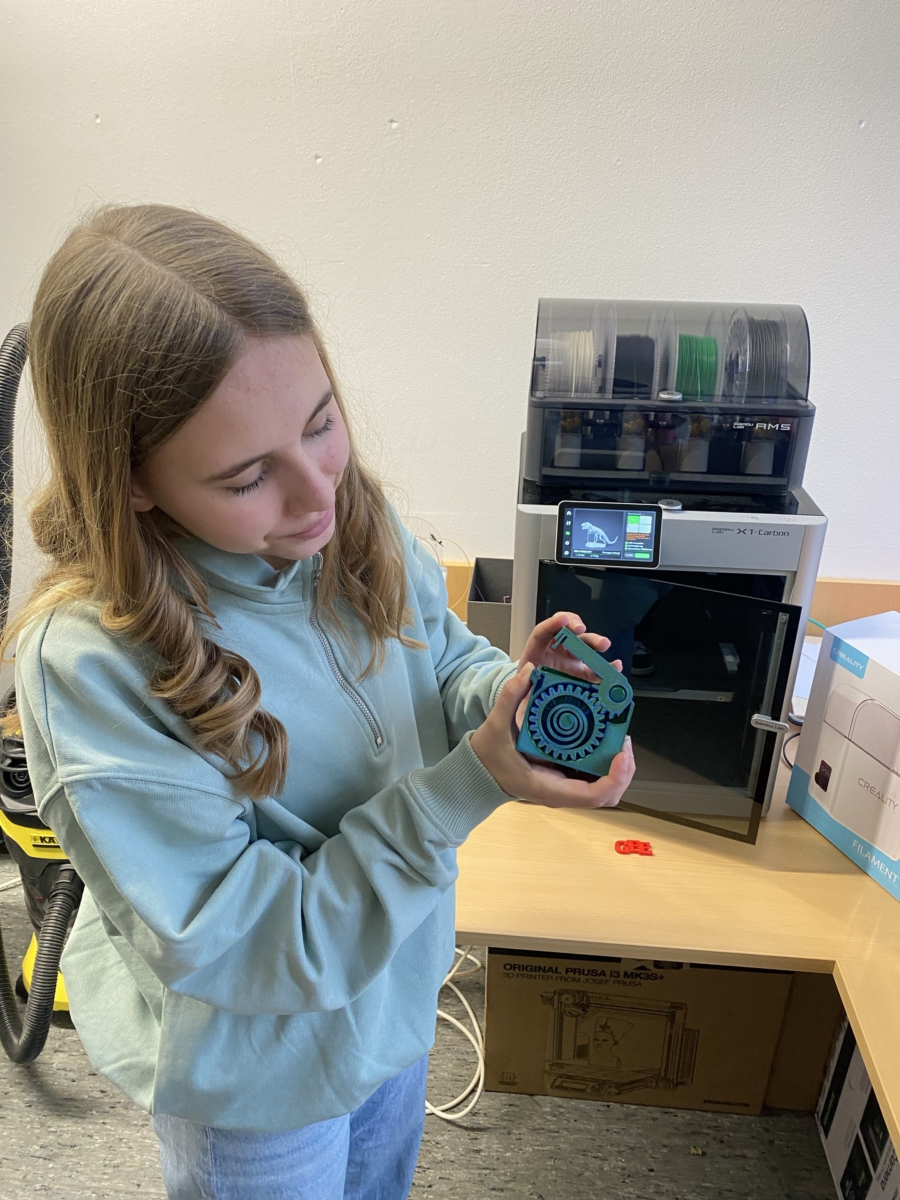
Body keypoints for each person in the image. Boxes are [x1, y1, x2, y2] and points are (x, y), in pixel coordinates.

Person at [5, 204, 635, 1200]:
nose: (317, 496)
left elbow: (438, 656)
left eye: (321, 423)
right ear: (131, 482)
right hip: (258, 1078)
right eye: (248, 476)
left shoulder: (347, 515)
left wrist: (504, 695)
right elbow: (256, 943)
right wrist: (467, 785)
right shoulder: (91, 668)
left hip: (389, 999)